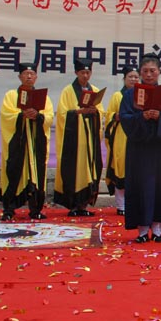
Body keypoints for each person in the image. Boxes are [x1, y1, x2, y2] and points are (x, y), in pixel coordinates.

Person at [119, 53, 161, 243]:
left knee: (159, 187)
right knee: (140, 186)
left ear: (159, 72)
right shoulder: (130, 94)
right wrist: (142, 117)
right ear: (140, 73)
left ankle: (157, 229)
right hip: (139, 148)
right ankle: (141, 230)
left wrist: (160, 117)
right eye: (145, 71)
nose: (148, 74)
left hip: (160, 148)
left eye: (152, 71)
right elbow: (125, 118)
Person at [0, 63, 54, 221]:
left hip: (36, 141)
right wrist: (21, 115)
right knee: (14, 170)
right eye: (25, 74)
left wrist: (37, 115)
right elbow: (6, 115)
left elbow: (49, 117)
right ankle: (9, 209)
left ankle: (35, 208)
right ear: (19, 77)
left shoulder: (44, 97)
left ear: (36, 77)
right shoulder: (11, 95)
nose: (29, 77)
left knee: (37, 172)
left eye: (32, 74)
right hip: (18, 141)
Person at [54, 59, 104, 216]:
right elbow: (62, 114)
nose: (85, 75)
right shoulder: (68, 91)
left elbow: (101, 112)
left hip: (89, 138)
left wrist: (95, 111)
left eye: (88, 72)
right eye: (82, 72)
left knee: (90, 168)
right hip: (74, 139)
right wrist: (78, 112)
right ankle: (73, 205)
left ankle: (84, 205)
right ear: (76, 73)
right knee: (74, 170)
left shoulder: (94, 89)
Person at [104, 66, 139, 215]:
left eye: (136, 76)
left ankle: (135, 204)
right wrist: (115, 116)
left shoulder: (142, 95)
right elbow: (108, 115)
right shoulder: (118, 96)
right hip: (121, 136)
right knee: (120, 169)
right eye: (130, 76)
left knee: (136, 171)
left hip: (137, 137)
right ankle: (121, 205)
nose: (133, 79)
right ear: (124, 79)